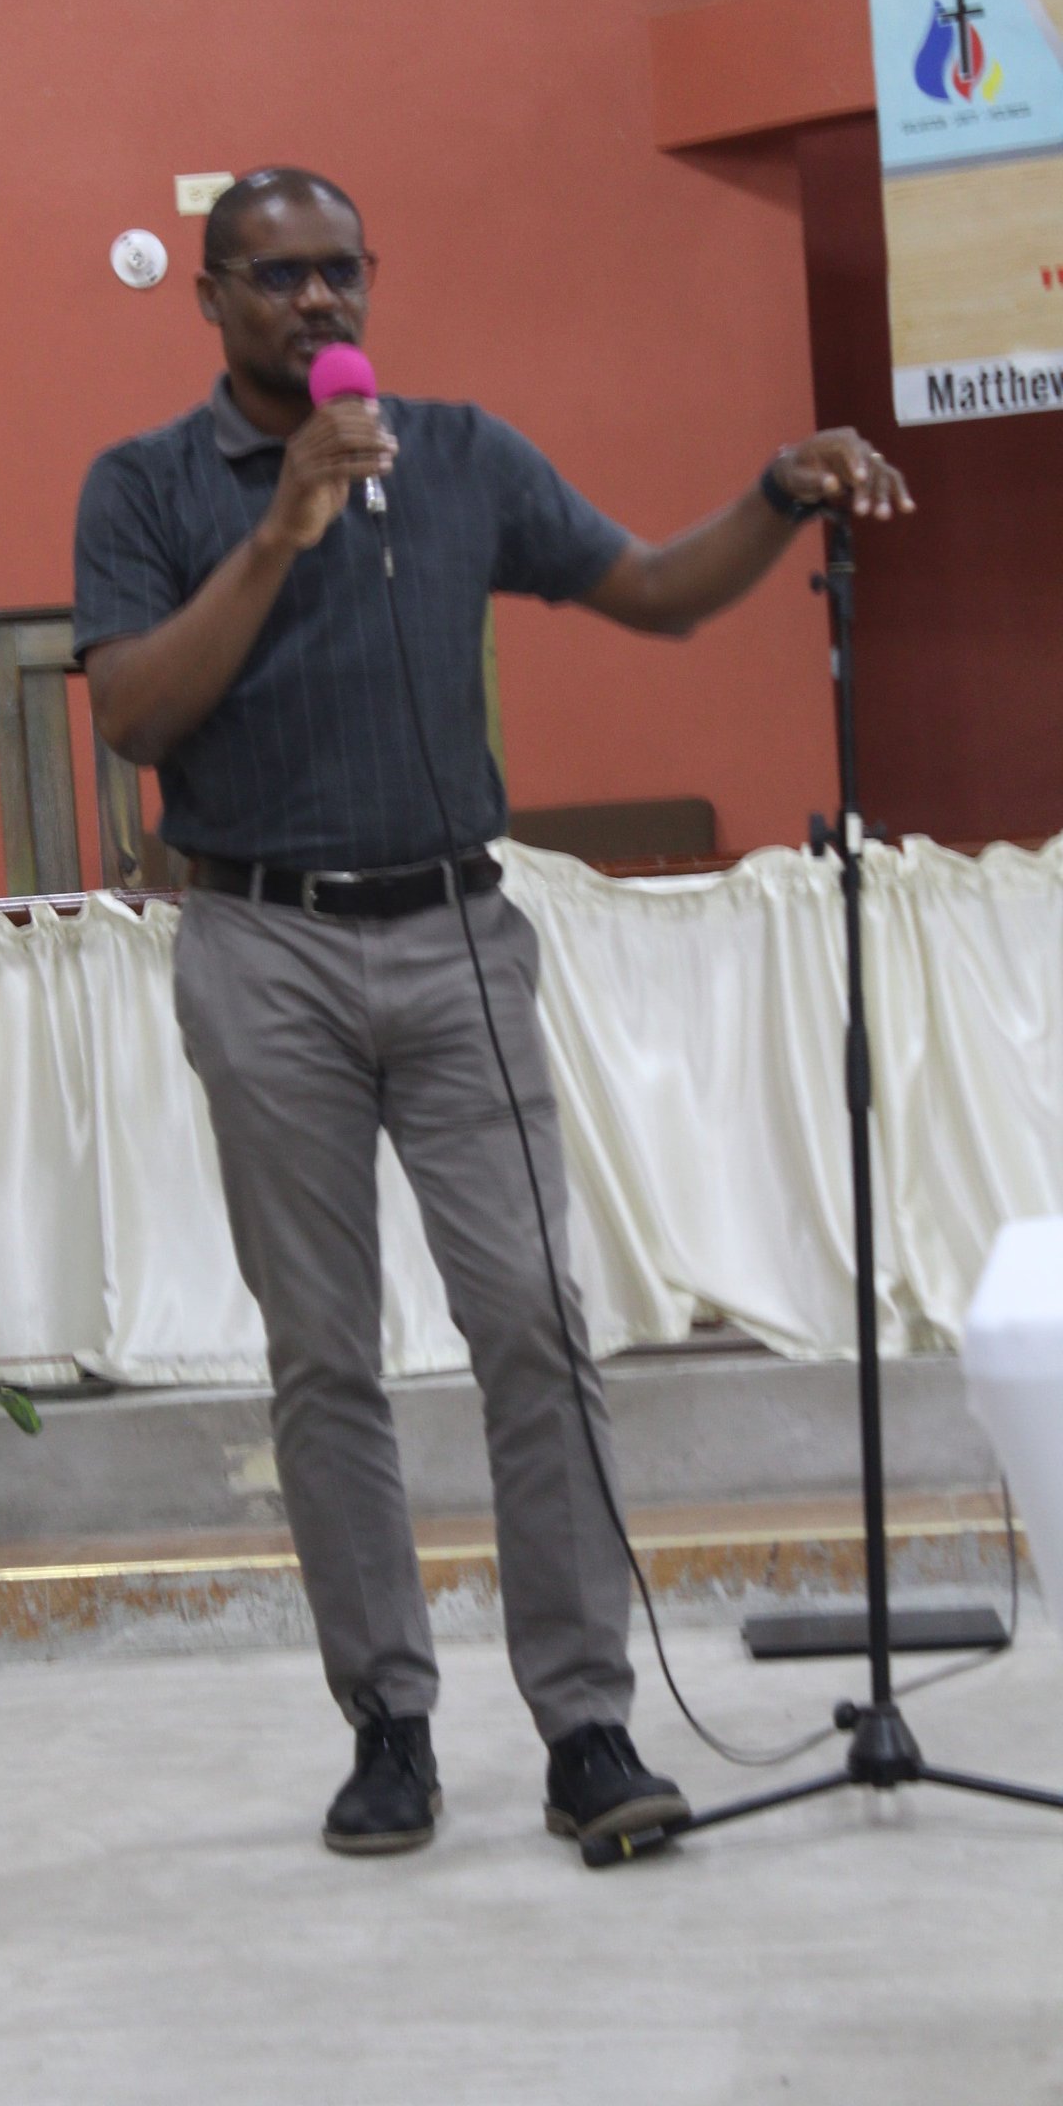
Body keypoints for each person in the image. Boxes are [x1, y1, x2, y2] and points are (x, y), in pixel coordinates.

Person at [72, 166, 913, 1862]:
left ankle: (587, 1722)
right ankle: (389, 1723)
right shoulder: (147, 486)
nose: (319, 304)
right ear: (212, 297)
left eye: (341, 273)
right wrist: (283, 527)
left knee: (535, 1319)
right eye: (278, 277)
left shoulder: (458, 454)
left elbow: (661, 592)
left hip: (455, 931)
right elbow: (136, 715)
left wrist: (771, 491)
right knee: (326, 1356)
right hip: (264, 943)